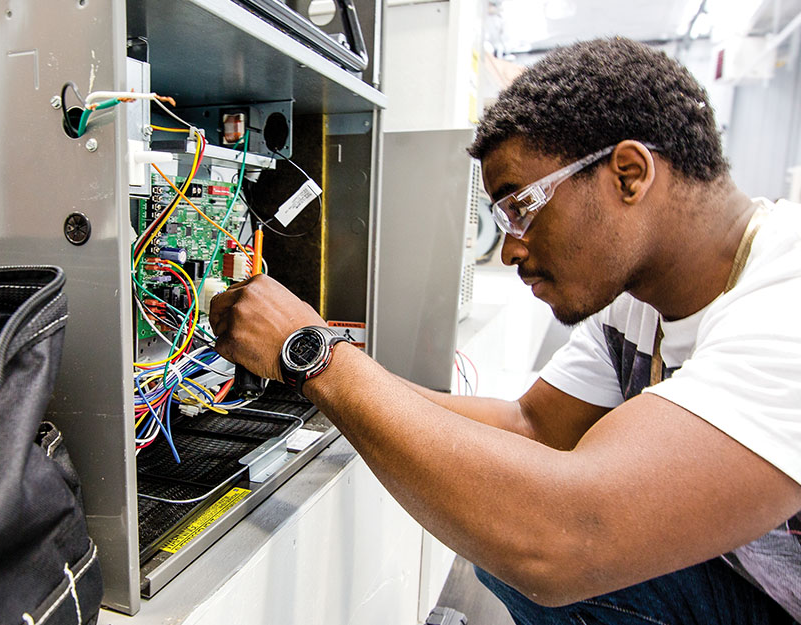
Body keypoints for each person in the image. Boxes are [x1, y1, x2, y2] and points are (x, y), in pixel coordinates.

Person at [209, 37, 801, 624]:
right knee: (490, 512)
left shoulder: (785, 303)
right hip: (743, 582)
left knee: (520, 530)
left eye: (520, 207)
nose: (511, 248)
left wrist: (310, 355)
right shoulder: (634, 301)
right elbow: (533, 427)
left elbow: (560, 535)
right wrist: (334, 368)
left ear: (628, 174)